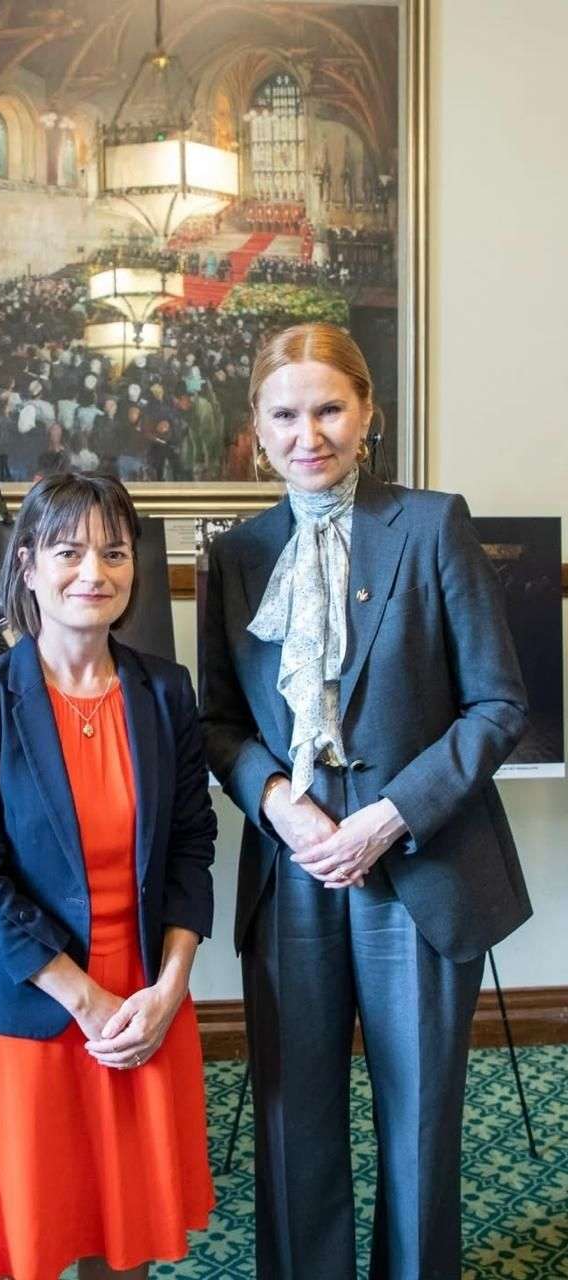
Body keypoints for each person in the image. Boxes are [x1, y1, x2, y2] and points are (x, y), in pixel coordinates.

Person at [200, 322, 532, 1280]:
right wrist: (279, 804)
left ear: (368, 411)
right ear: (257, 426)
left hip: (417, 861)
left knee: (418, 1118)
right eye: (285, 415)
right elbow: (218, 722)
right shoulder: (238, 554)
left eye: (329, 409)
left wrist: (390, 816)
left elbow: (498, 705)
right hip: (294, 861)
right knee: (292, 1117)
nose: (308, 434)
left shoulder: (431, 524)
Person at [0, 473, 216, 1280]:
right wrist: (87, 1002)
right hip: (38, 1009)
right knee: (30, 1241)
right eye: (69, 551)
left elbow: (192, 844)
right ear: (27, 565)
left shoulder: (166, 691)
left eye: (114, 553)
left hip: (146, 1008)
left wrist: (169, 989)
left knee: (125, 1242)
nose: (95, 571)